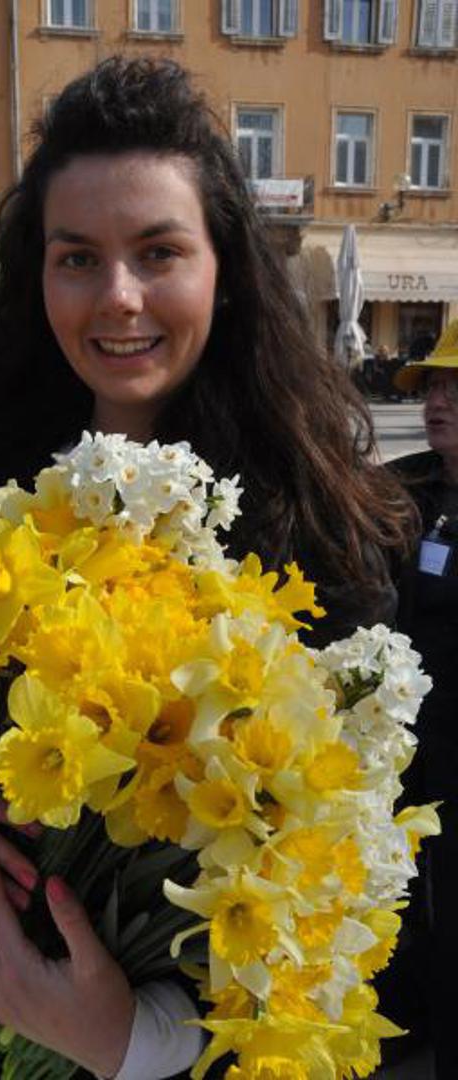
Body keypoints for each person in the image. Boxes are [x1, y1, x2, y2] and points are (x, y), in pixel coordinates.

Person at [0, 57, 417, 1080]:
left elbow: (344, 871)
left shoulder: (325, 528)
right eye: (77, 257)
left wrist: (134, 1040)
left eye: (159, 252)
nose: (118, 298)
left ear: (225, 272)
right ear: (39, 279)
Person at [384, 323, 458, 1080]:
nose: (438, 400)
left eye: (456, 388)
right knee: (398, 889)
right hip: (403, 745)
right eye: (434, 386)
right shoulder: (402, 491)